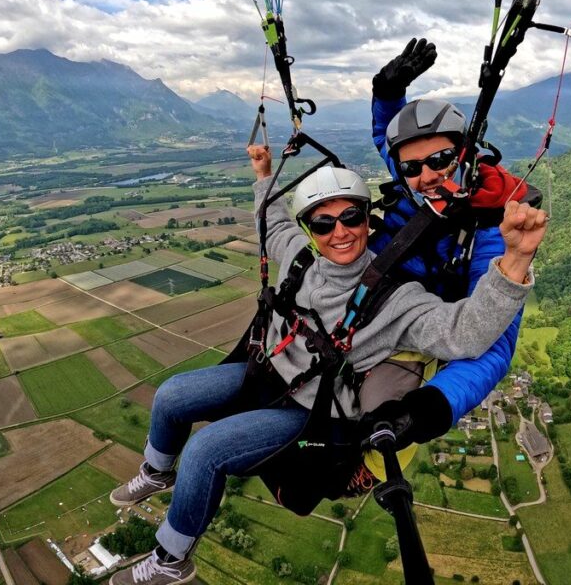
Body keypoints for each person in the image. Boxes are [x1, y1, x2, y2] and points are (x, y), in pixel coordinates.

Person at [107, 148, 547, 585]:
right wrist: (263, 173)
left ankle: (171, 558)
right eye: (323, 222)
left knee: (206, 452)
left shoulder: (395, 299)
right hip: (268, 377)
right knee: (171, 396)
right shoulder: (301, 260)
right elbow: (272, 223)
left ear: (367, 220)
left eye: (351, 217)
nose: (340, 232)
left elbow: (464, 332)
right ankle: (156, 470)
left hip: (311, 414)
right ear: (311, 230)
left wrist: (514, 262)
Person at [361, 37, 535, 449]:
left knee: (373, 405)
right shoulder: (417, 177)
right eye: (414, 167)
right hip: (374, 295)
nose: (428, 175)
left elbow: (493, 340)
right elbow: (387, 139)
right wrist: (386, 92)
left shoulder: (493, 228)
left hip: (424, 325)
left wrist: (430, 408)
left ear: (466, 154)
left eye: (441, 160)